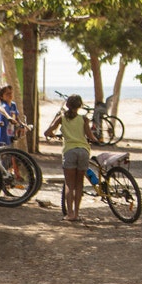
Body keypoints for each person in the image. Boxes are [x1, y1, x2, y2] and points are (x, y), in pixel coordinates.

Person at [45, 94, 98, 222]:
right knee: (79, 184)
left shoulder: (61, 118)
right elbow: (90, 136)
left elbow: (47, 132)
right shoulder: (84, 119)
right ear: (80, 106)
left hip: (69, 152)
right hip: (83, 151)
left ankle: (70, 214)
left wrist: (53, 135)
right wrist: (97, 140)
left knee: (69, 185)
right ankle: (77, 213)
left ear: (67, 105)